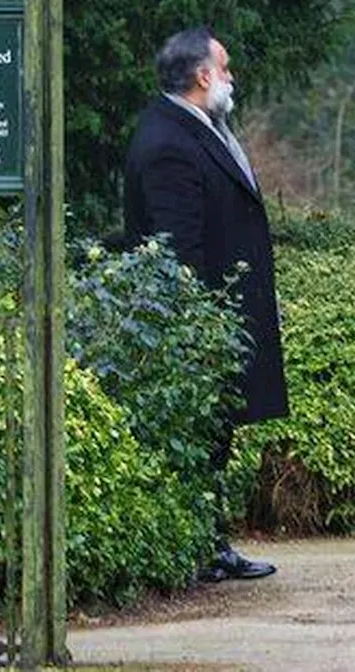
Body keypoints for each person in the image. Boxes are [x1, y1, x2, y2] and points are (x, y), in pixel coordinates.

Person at [123, 26, 287, 583]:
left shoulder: (197, 127)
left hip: (220, 321)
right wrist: (204, 325)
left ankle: (210, 543)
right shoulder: (169, 140)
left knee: (215, 438)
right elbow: (177, 248)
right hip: (199, 326)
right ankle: (200, 549)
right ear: (203, 76)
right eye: (226, 67)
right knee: (201, 440)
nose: (232, 77)